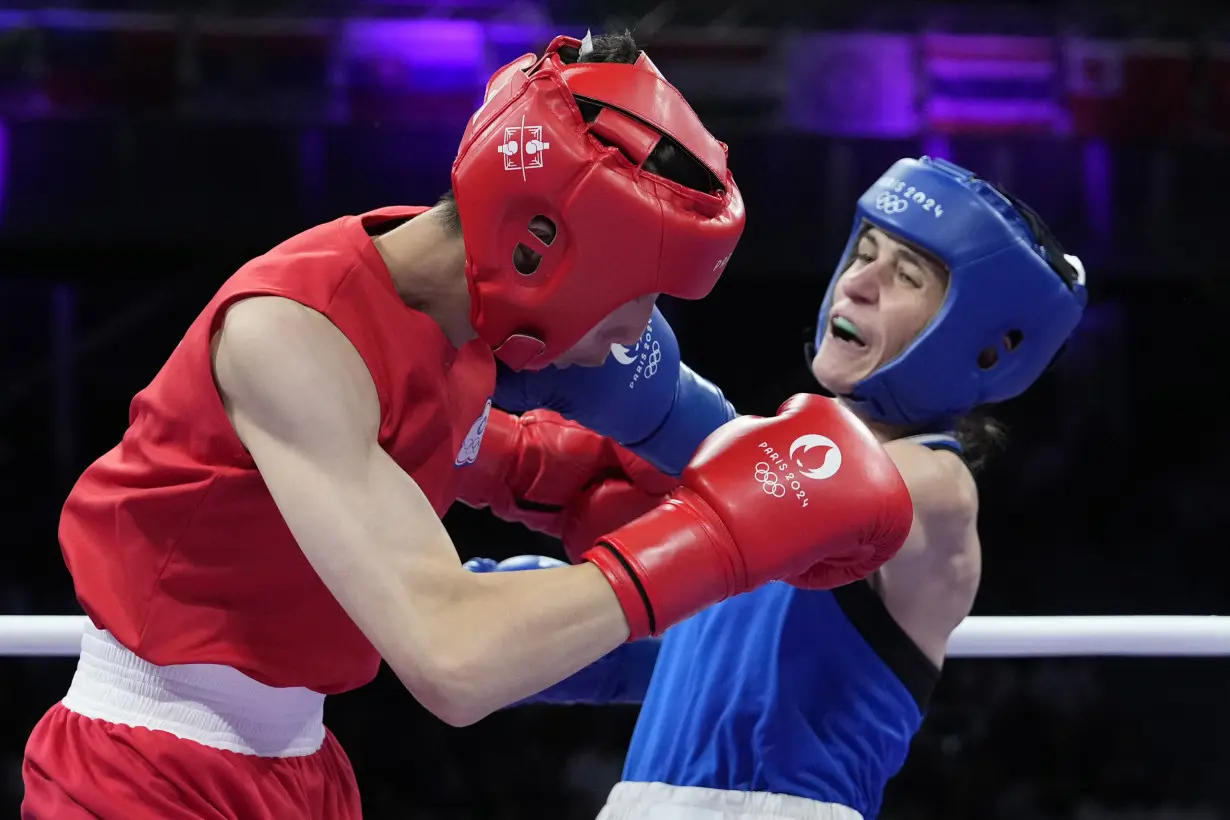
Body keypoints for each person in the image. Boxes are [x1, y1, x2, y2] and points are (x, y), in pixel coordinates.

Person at [20, 31, 923, 820]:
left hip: (298, 764)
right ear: (540, 246)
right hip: (142, 768)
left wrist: (546, 473)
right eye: (634, 294)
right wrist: (717, 533)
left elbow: (404, 438)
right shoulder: (287, 337)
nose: (636, 333)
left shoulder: (450, 323)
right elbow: (453, 659)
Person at [474, 156, 1089, 819]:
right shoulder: (766, 499)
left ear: (985, 348)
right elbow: (713, 663)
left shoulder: (937, 489)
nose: (859, 283)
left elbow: (836, 485)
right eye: (864, 252)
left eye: (906, 276)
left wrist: (644, 397)